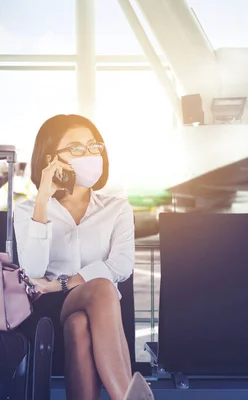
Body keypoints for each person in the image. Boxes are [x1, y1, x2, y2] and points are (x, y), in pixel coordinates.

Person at [14, 114, 153, 400]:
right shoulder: (28, 210)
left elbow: (122, 265)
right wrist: (42, 199)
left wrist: (57, 284)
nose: (89, 154)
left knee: (80, 324)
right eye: (76, 148)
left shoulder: (116, 208)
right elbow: (33, 269)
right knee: (101, 285)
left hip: (96, 312)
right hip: (47, 311)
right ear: (53, 159)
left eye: (93, 146)